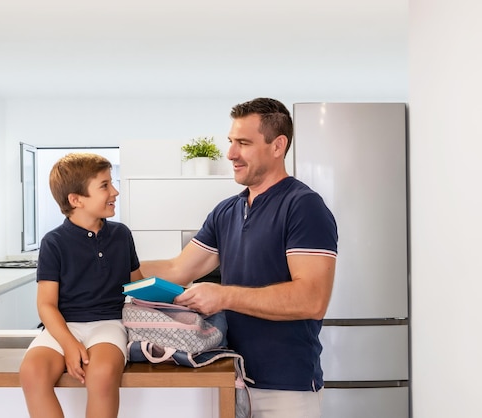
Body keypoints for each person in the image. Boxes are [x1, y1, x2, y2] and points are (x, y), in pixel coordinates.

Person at [141, 97, 338, 418]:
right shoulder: (227, 211)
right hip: (232, 377)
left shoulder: (303, 206)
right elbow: (178, 268)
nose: (231, 153)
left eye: (243, 143)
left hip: (286, 386)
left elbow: (312, 298)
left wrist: (224, 296)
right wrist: (111, 267)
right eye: (231, 142)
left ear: (277, 146)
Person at [20, 153, 143, 418]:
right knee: (32, 372)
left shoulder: (122, 235)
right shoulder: (54, 242)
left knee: (102, 373)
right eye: (104, 185)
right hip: (63, 327)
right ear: (75, 200)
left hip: (109, 323)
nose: (115, 191)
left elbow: (137, 285)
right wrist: (67, 343)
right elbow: (46, 304)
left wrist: (176, 296)